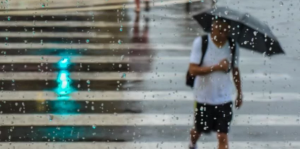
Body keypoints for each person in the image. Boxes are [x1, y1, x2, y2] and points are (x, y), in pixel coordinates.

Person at [188, 18, 243, 149]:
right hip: (203, 97)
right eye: (220, 30)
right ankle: (192, 143)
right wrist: (216, 67)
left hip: (224, 98)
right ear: (213, 28)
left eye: (226, 31)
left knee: (222, 135)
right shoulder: (201, 43)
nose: (223, 34)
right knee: (198, 130)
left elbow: (235, 70)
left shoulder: (233, 46)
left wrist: (239, 93)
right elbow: (192, 69)